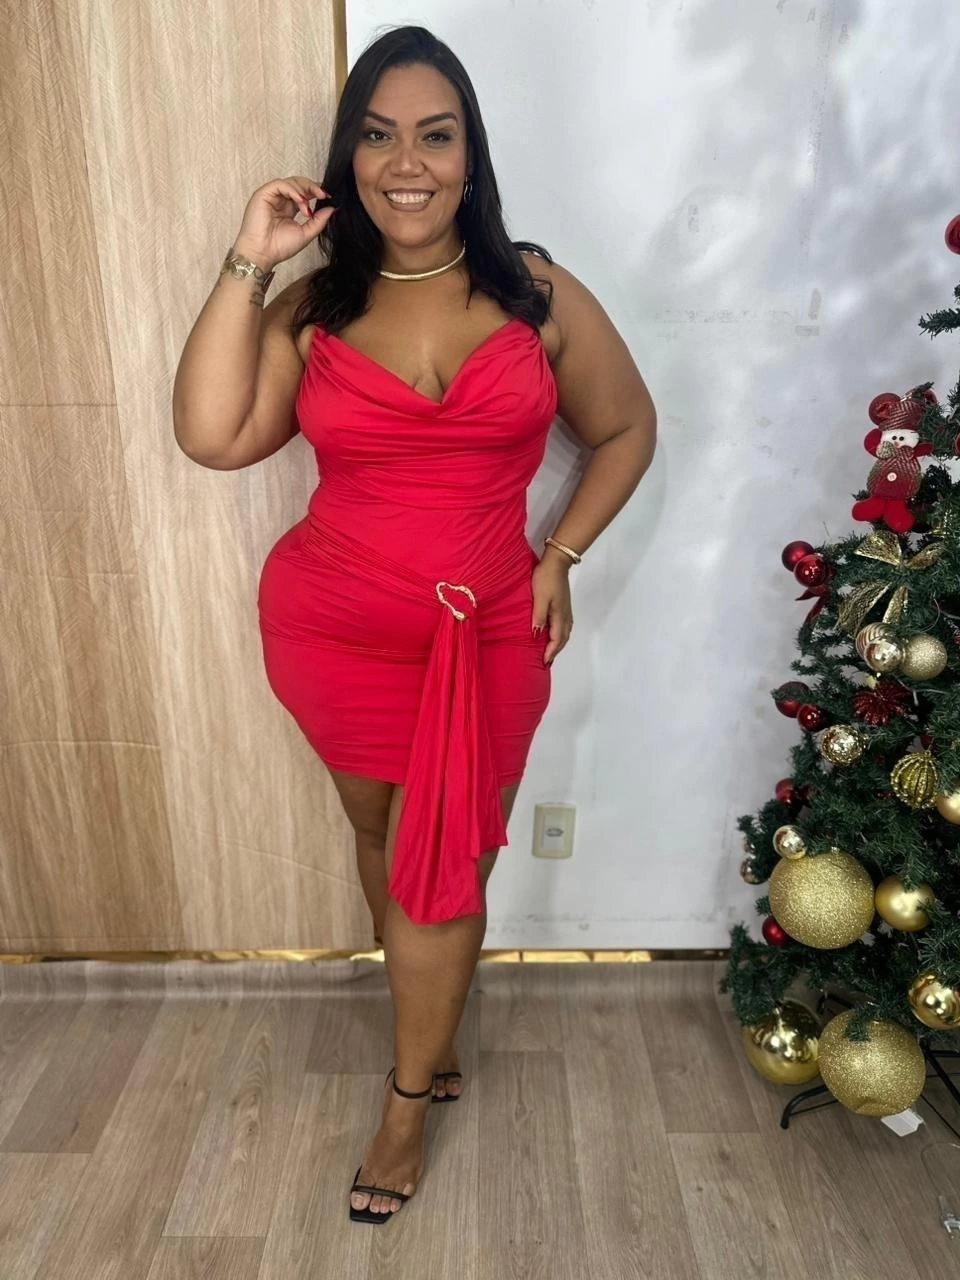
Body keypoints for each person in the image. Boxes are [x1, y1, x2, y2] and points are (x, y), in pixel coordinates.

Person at [172, 24, 656, 1225]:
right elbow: (213, 434)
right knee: (384, 836)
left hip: (489, 632)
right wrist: (251, 256)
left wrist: (561, 555)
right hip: (334, 628)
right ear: (348, 156)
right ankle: (425, 1027)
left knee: (448, 861)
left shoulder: (537, 293)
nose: (407, 162)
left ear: (470, 155)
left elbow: (627, 427)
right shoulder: (316, 304)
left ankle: (403, 1103)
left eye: (434, 136)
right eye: (379, 136)